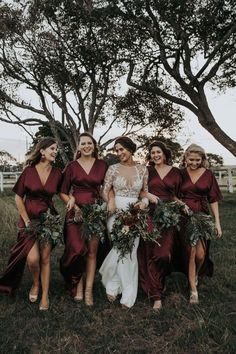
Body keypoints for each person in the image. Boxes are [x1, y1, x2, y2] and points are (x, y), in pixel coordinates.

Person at [0, 137, 62, 311]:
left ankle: (44, 295)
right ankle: (36, 283)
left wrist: (72, 198)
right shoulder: (28, 171)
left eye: (56, 149)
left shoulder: (58, 173)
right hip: (29, 220)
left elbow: (64, 192)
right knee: (33, 259)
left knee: (45, 257)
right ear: (42, 151)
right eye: (52, 148)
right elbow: (18, 197)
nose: (55, 151)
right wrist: (26, 220)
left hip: (48, 220)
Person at [99, 136, 148, 309]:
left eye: (122, 149)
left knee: (131, 250)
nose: (119, 153)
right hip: (114, 212)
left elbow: (144, 192)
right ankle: (114, 284)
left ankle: (124, 289)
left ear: (130, 149)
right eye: (117, 150)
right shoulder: (112, 169)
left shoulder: (143, 170)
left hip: (134, 212)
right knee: (119, 246)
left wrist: (144, 203)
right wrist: (111, 201)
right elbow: (105, 191)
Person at [59, 132, 108, 306]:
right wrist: (73, 203)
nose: (86, 146)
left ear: (94, 146)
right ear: (78, 147)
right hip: (76, 213)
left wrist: (109, 203)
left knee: (92, 252)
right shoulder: (71, 166)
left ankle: (87, 290)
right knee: (78, 250)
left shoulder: (102, 165)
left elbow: (104, 189)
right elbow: (63, 191)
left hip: (95, 212)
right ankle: (76, 285)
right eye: (83, 143)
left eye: (89, 143)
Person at [138, 141, 182, 311]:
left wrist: (181, 204)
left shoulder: (176, 172)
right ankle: (156, 295)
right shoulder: (146, 171)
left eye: (158, 152)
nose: (155, 155)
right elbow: (138, 190)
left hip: (168, 216)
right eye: (152, 152)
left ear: (165, 154)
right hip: (149, 213)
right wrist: (148, 194)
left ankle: (159, 280)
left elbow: (176, 195)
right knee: (150, 252)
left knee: (164, 254)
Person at [180, 144, 222, 304]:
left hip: (202, 216)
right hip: (184, 217)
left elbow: (213, 199)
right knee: (191, 252)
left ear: (203, 159)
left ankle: (195, 274)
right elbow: (173, 194)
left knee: (201, 255)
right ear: (185, 158)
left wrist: (217, 222)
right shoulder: (181, 174)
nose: (194, 163)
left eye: (198, 160)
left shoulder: (208, 174)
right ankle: (193, 290)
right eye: (191, 159)